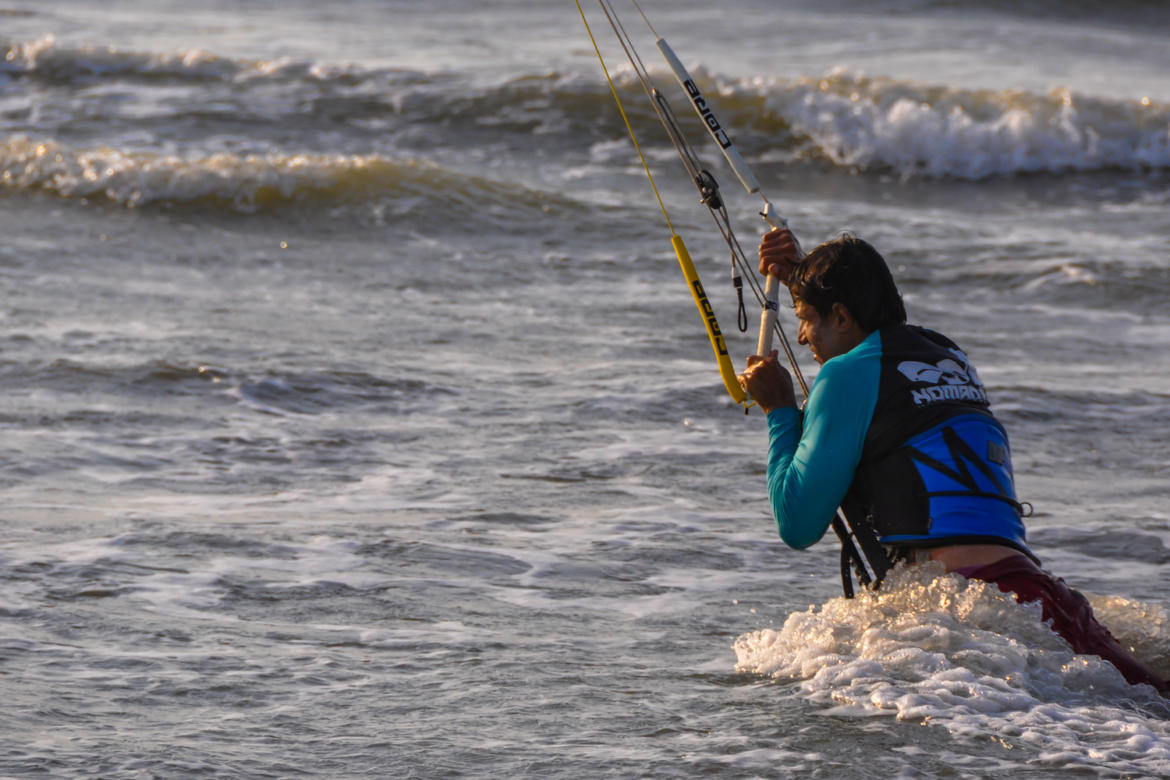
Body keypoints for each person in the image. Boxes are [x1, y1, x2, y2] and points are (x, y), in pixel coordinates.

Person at [738, 228, 1167, 693]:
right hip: (1040, 594)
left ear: (841, 315)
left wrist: (780, 410)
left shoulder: (845, 374)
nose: (801, 337)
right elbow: (890, 393)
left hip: (971, 604)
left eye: (805, 319)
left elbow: (797, 524)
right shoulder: (946, 353)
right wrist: (805, 275)